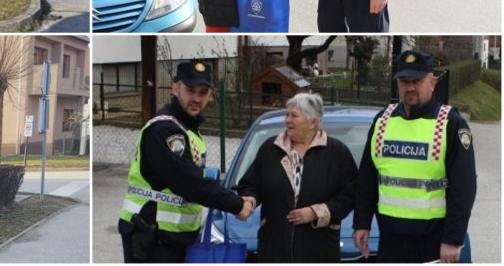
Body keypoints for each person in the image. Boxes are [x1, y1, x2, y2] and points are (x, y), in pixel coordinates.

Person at [118, 61, 254, 263]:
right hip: (151, 237)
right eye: (190, 90)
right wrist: (236, 204)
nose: (197, 98)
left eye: (203, 92)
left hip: (170, 238)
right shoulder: (164, 130)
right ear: (175, 88)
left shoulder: (185, 129)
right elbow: (189, 182)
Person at [353, 50, 476, 263]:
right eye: (404, 81)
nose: (410, 87)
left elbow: (463, 187)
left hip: (433, 241)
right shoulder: (383, 121)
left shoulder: (450, 124)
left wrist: (453, 239)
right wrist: (361, 223)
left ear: (432, 82)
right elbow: (367, 178)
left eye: (416, 81)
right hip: (390, 240)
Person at [237, 93, 358, 262]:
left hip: (318, 249)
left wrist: (316, 212)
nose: (287, 120)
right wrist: (249, 201)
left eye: (294, 115)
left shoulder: (337, 153)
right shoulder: (270, 148)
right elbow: (250, 184)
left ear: (313, 122)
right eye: (287, 114)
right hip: (274, 248)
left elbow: (350, 195)